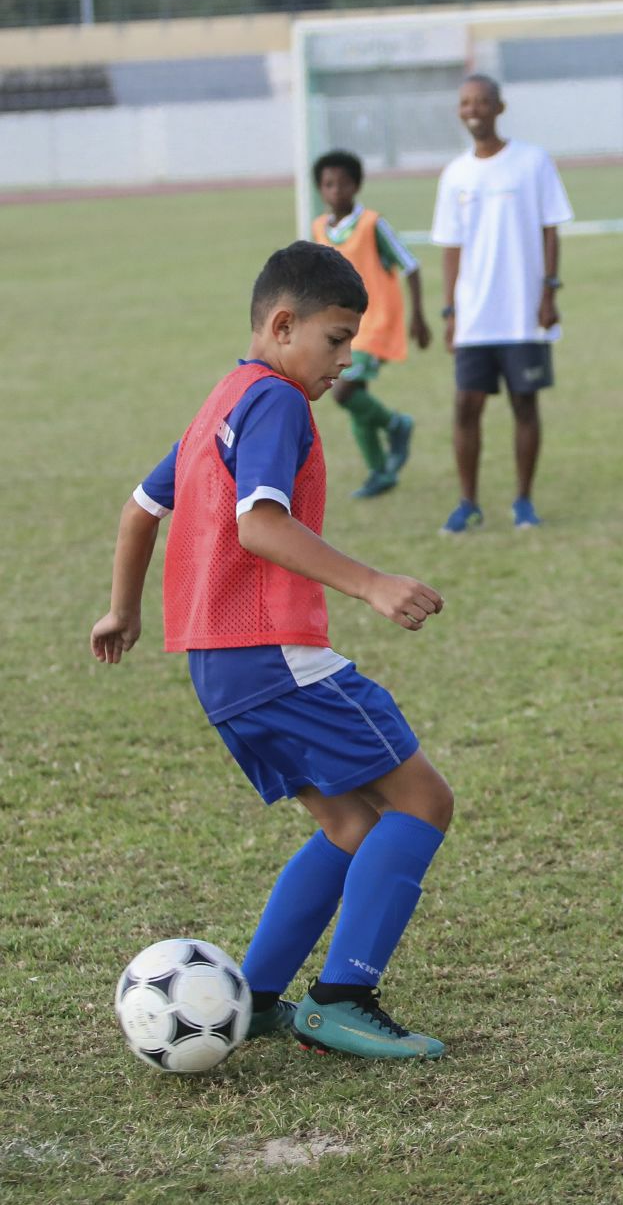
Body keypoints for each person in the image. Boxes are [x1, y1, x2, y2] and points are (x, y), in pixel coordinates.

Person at [89, 242, 454, 1059]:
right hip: (273, 655)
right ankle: (344, 996)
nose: (346, 358)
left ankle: (251, 998)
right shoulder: (279, 402)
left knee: (352, 824)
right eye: (337, 337)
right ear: (283, 324)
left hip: (216, 667)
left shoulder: (220, 400)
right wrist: (371, 584)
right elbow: (259, 523)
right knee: (423, 802)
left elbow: (140, 509)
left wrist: (123, 610)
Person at [431, 74, 574, 534]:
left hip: (523, 313)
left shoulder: (532, 161)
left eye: (482, 101)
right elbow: (451, 248)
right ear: (460, 111)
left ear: (499, 107)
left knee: (524, 406)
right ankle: (468, 502)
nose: (473, 109)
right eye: (466, 102)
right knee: (466, 407)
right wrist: (450, 312)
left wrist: (549, 291)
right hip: (474, 317)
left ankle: (524, 501)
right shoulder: (454, 174)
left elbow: (551, 228)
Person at [309, 149, 430, 499]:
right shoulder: (319, 228)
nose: (336, 191)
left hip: (374, 322)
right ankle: (379, 471)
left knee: (344, 391)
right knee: (355, 395)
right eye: (329, 184)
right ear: (320, 189)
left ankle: (397, 425)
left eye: (343, 183)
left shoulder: (372, 224)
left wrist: (418, 316)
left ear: (356, 186)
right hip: (339, 328)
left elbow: (411, 265)